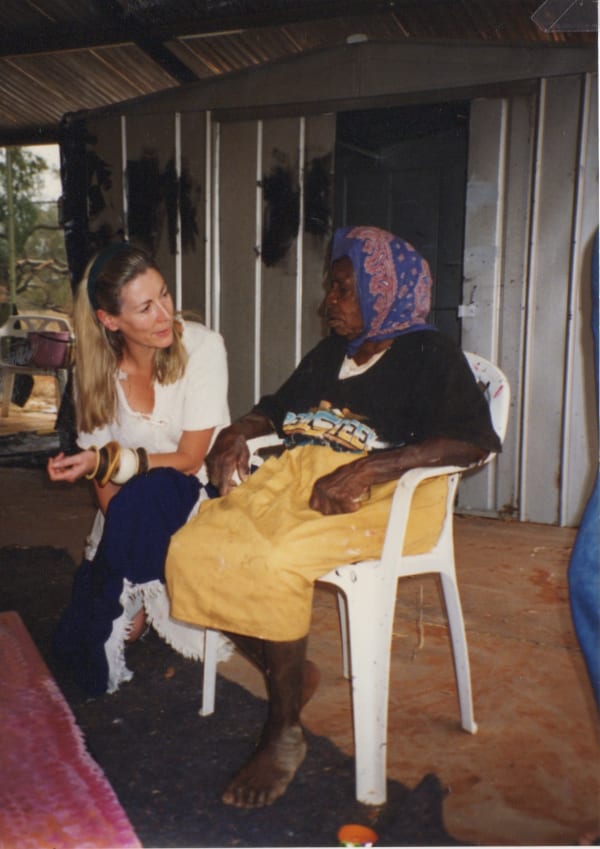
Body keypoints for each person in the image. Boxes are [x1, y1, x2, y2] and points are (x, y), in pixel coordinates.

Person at [165, 225, 502, 809]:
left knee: (272, 560)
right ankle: (286, 669)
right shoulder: (331, 353)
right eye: (332, 289)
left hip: (387, 499)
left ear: (383, 293)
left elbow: (475, 442)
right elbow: (277, 408)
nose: (329, 303)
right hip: (304, 481)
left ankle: (283, 728)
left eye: (343, 290)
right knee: (191, 547)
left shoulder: (431, 354)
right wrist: (236, 432)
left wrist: (373, 467)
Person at [47, 242, 232, 696]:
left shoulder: (203, 347)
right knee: (137, 502)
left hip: (196, 498)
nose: (165, 314)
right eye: (145, 308)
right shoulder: (96, 375)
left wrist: (117, 464)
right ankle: (129, 588)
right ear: (110, 320)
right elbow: (103, 480)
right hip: (130, 513)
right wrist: (125, 530)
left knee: (159, 486)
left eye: (164, 295)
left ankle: (109, 607)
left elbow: (190, 460)